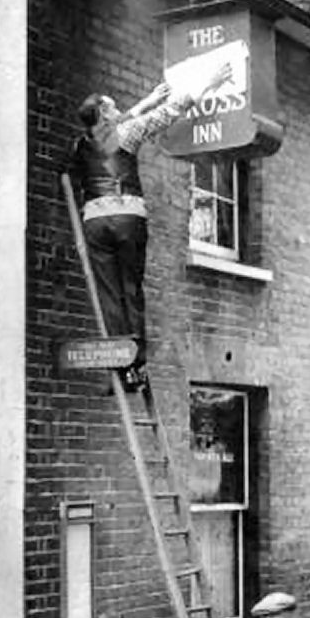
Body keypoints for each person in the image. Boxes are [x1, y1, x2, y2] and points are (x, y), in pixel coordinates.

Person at [61, 57, 231, 391]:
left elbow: (117, 125)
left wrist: (147, 100)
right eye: (113, 108)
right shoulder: (128, 133)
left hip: (95, 221)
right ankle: (136, 368)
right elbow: (172, 111)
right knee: (130, 291)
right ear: (106, 115)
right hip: (127, 218)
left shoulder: (81, 143)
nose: (119, 110)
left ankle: (118, 369)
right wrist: (208, 82)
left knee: (110, 295)